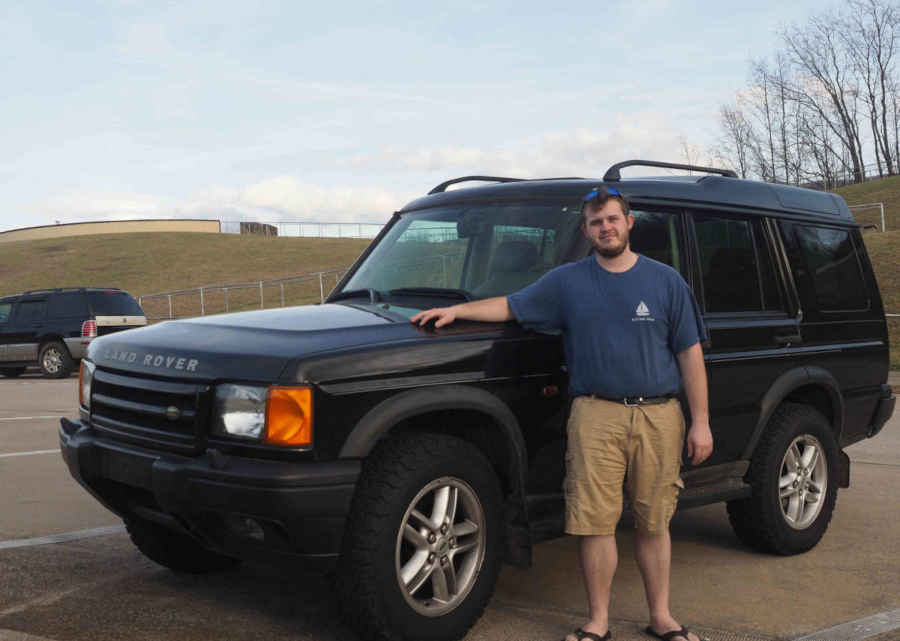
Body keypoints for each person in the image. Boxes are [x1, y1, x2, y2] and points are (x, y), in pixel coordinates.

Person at [410, 186, 713, 641]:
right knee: (594, 523)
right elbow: (509, 306)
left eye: (612, 219)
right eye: (595, 223)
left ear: (629, 223)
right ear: (587, 230)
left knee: (655, 521)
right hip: (595, 416)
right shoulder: (566, 281)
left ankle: (662, 618)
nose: (605, 228)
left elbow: (690, 355)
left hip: (659, 416)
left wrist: (702, 422)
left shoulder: (666, 282)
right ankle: (598, 623)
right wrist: (456, 310)